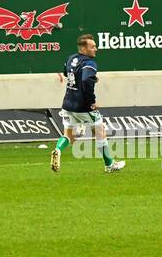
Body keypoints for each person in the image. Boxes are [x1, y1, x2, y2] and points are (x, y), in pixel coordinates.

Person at [51, 34, 125, 174]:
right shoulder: (89, 63)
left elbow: (67, 74)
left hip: (67, 104)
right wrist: (92, 101)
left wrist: (89, 79)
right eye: (92, 47)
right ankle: (109, 165)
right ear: (84, 49)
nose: (96, 49)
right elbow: (85, 80)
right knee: (100, 132)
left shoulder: (71, 58)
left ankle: (57, 150)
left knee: (68, 135)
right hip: (83, 106)